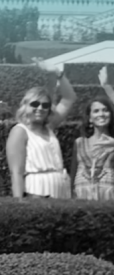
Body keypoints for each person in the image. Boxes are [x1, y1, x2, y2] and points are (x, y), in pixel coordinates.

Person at [6, 59, 76, 198]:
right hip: (37, 190)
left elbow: (69, 98)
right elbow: (16, 173)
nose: (40, 108)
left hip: (60, 190)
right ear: (25, 106)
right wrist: (19, 203)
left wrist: (58, 73)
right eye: (35, 104)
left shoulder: (49, 127)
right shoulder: (20, 131)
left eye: (45, 105)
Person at [72, 95, 114, 200]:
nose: (101, 114)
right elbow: (73, 172)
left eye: (105, 110)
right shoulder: (79, 143)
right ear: (90, 118)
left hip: (108, 195)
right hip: (81, 194)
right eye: (96, 111)